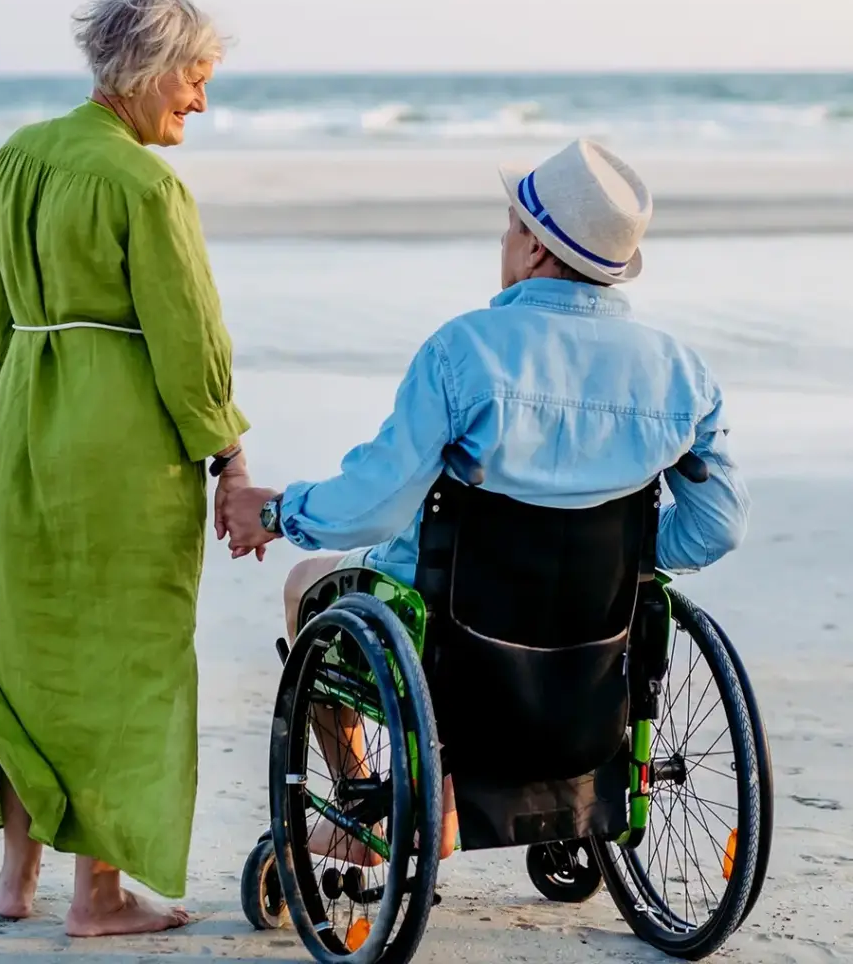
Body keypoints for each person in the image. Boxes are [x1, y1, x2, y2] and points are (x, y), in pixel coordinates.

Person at [219, 137, 751, 859]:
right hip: (594, 654)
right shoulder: (681, 377)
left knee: (306, 585)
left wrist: (281, 513)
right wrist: (617, 552)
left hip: (459, 649)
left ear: (533, 249)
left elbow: (372, 507)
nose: (503, 241)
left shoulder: (463, 353)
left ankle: (364, 808)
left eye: (509, 226)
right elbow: (716, 526)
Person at [0, 0, 254, 937]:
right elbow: (188, 342)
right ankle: (97, 896)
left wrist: (27, 415)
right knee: (128, 657)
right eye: (195, 80)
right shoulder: (145, 184)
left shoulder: (14, 160)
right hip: (125, 453)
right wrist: (230, 461)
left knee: (27, 650)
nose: (200, 102)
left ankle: (17, 881)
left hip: (21, 433)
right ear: (148, 71)